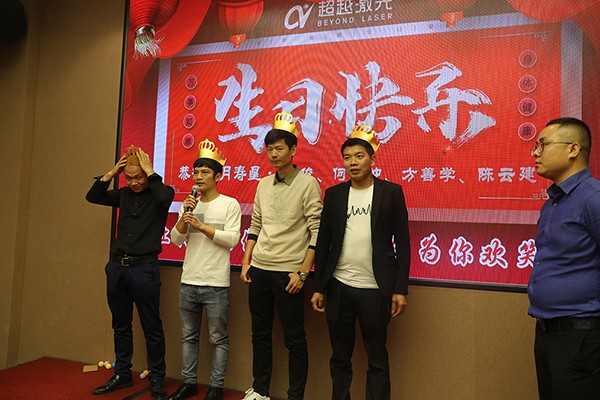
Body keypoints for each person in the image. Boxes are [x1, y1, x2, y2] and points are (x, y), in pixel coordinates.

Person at [311, 124, 411, 400]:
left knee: (376, 357)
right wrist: (319, 287)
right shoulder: (334, 194)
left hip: (375, 289)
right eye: (347, 157)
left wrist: (400, 289)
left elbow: (403, 243)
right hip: (339, 286)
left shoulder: (390, 192)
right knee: (340, 356)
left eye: (359, 156)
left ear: (372, 159)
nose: (352, 163)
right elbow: (323, 242)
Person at [240, 111, 323, 400]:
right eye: (270, 149)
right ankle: (260, 390)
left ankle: (295, 395)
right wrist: (247, 261)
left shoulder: (308, 184)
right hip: (260, 269)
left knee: (294, 339)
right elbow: (255, 225)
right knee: (260, 334)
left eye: (279, 149)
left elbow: (318, 231)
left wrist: (303, 272)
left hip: (289, 274)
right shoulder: (263, 184)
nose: (274, 155)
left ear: (293, 150)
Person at [86, 145, 174, 400]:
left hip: (144, 268)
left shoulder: (160, 193)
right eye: (129, 178)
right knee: (120, 324)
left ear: (147, 174)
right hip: (117, 268)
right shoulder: (123, 194)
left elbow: (165, 199)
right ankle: (122, 373)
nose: (134, 182)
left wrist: (151, 172)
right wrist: (112, 172)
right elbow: (93, 196)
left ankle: (157, 378)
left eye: (139, 177)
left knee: (151, 326)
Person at [528, 117, 600, 400]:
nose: (535, 152)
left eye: (543, 145)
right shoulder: (553, 203)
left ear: (573, 149)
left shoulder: (593, 198)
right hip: (547, 332)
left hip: (582, 337)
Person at [167, 139, 242, 400]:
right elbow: (176, 240)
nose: (198, 177)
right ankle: (189, 383)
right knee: (189, 337)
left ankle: (216, 387)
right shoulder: (190, 203)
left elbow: (232, 239)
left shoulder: (229, 204)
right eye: (196, 172)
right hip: (189, 280)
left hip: (215, 283)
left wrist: (202, 227)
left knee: (218, 338)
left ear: (218, 176)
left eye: (205, 172)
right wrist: (185, 218)